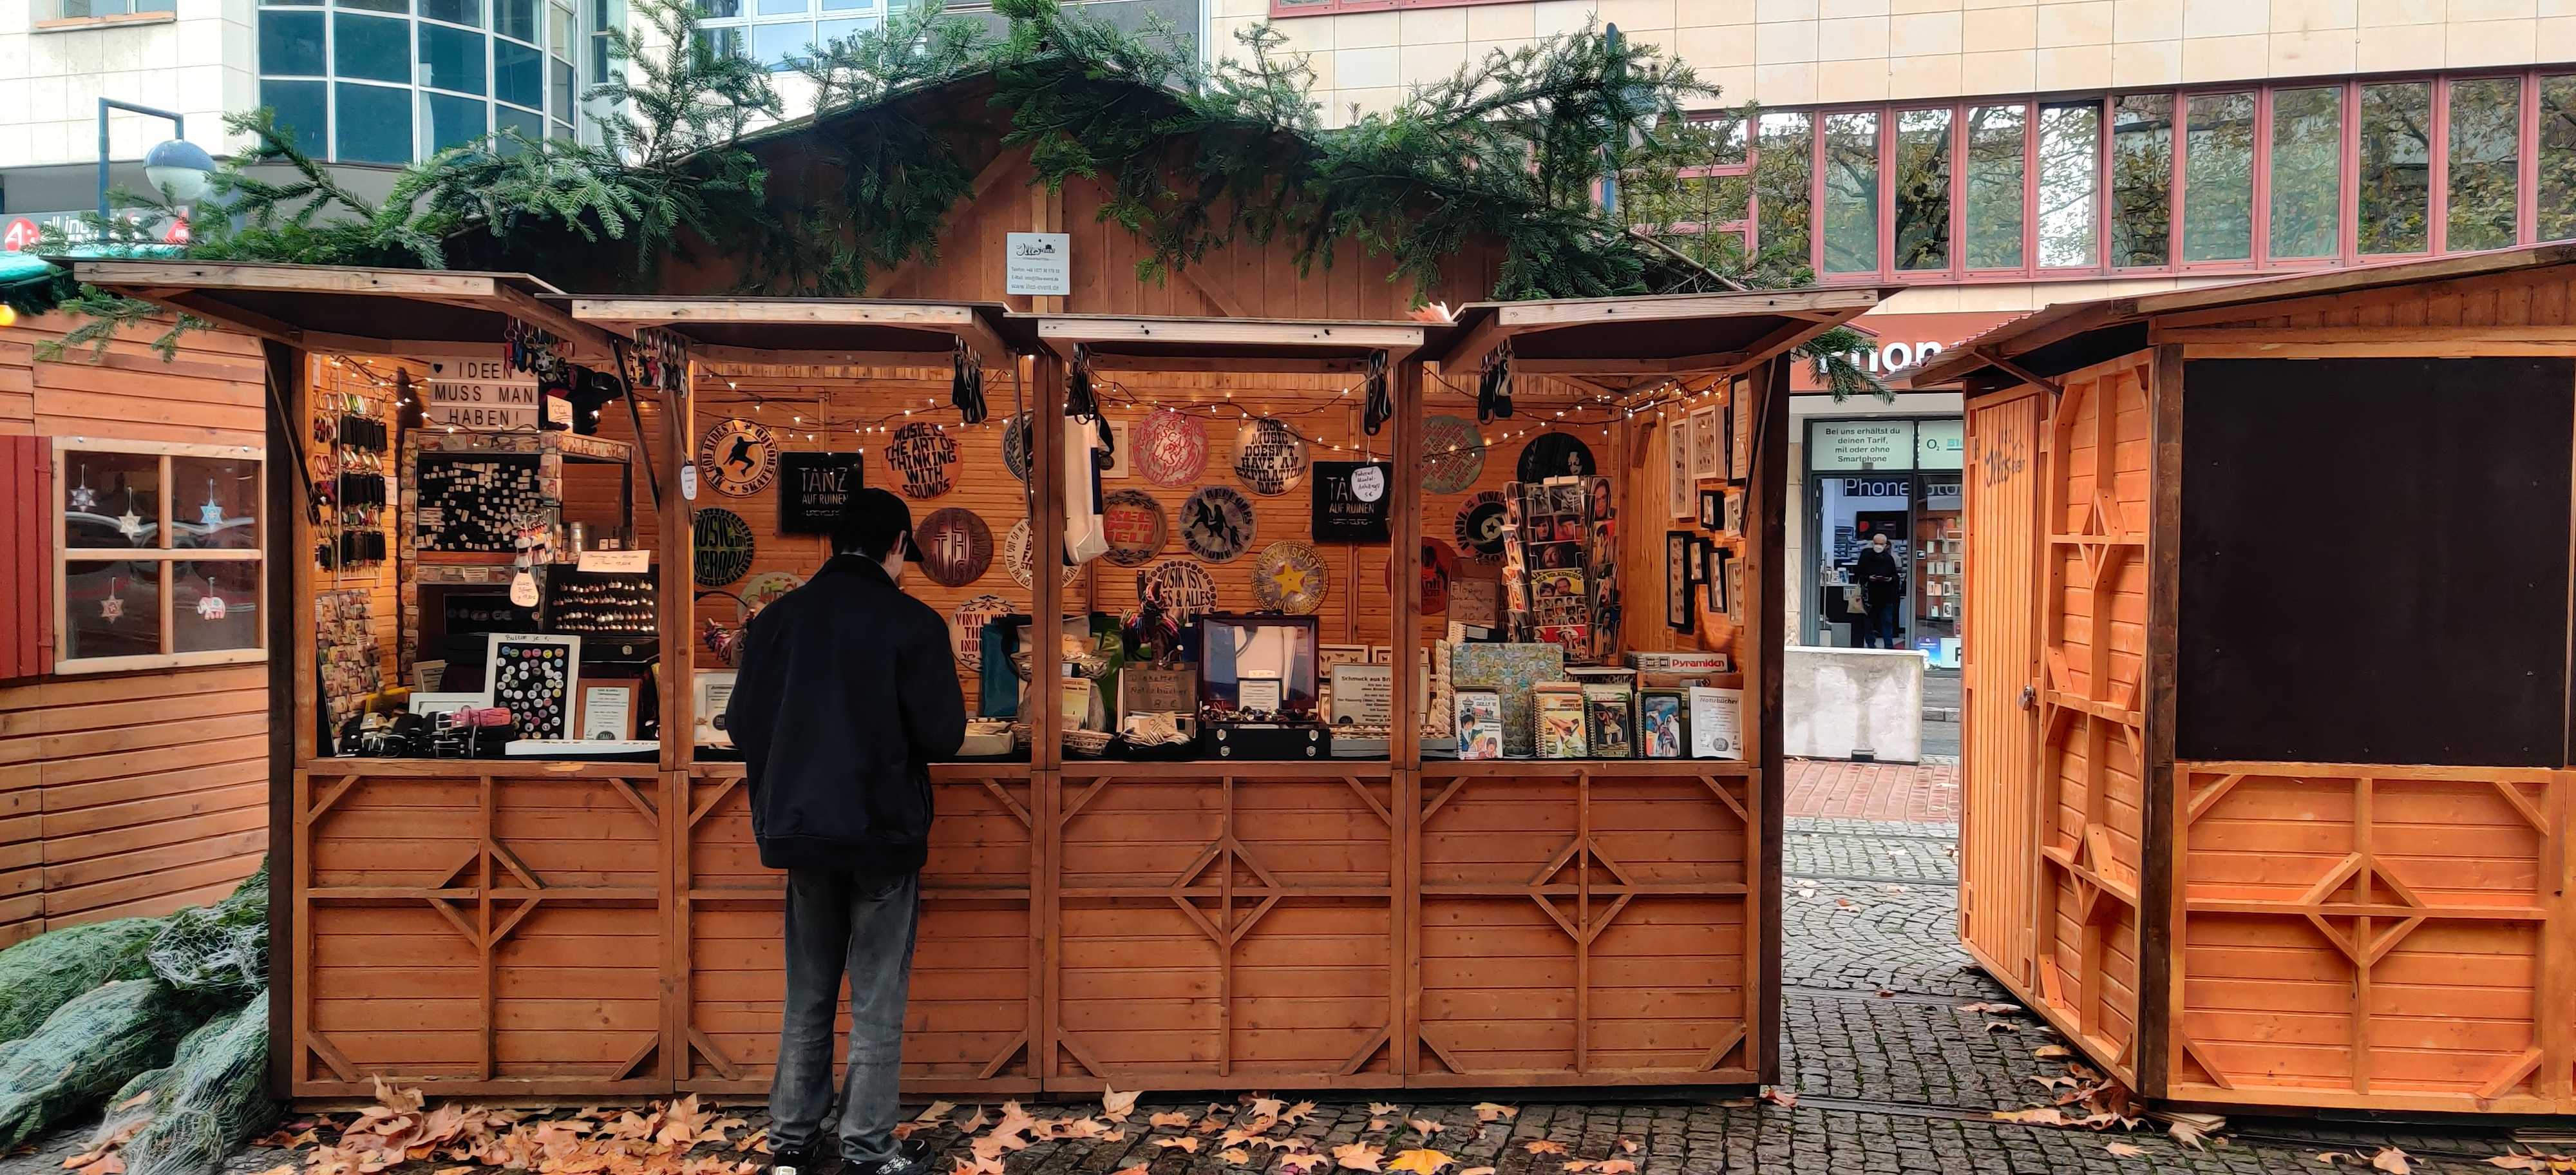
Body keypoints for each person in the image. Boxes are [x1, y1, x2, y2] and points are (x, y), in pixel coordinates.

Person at [725, 488, 967, 1175]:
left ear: (833, 546)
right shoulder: (913, 623)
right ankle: (867, 1147)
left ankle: (792, 1141)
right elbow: (944, 736)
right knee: (876, 996)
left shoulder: (778, 622)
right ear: (896, 546)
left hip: (800, 832)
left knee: (808, 991)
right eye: (905, 554)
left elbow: (742, 726)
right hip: (883, 833)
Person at [1853, 531, 1906, 650]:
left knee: (1887, 621)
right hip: (1870, 595)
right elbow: (1859, 574)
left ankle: (1888, 645)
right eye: (1877, 543)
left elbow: (1895, 576)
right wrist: (1868, 578)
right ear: (1873, 543)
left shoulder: (1889, 558)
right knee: (1869, 621)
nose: (1879, 546)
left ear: (1886, 545)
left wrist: (1889, 579)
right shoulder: (1866, 556)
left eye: (1881, 544)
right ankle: (1871, 644)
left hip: (1886, 595)